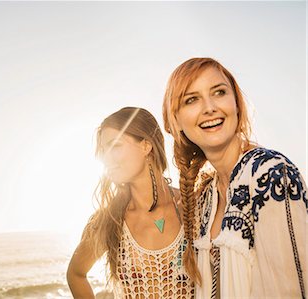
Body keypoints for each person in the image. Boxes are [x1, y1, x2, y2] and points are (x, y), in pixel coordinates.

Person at [162, 57, 307, 298]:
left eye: (219, 92)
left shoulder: (272, 174)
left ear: (237, 105)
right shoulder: (205, 197)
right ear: (175, 121)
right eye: (192, 99)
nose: (209, 107)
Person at [67, 107, 195, 298]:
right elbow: (76, 274)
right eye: (103, 150)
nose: (105, 157)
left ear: (146, 146)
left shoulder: (193, 205)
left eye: (115, 146)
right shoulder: (109, 220)